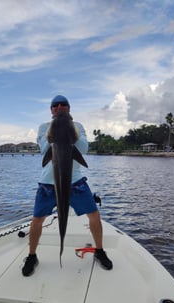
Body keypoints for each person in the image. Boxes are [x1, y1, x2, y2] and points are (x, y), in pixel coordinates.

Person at [22, 95, 113, 276]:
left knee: (94, 215)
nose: (59, 107)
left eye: (63, 104)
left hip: (76, 182)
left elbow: (84, 149)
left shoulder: (77, 126)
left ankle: (100, 251)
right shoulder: (43, 128)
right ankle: (32, 255)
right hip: (48, 183)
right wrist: (55, 131)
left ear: (69, 108)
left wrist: (71, 130)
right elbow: (45, 150)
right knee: (37, 220)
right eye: (55, 105)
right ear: (51, 110)